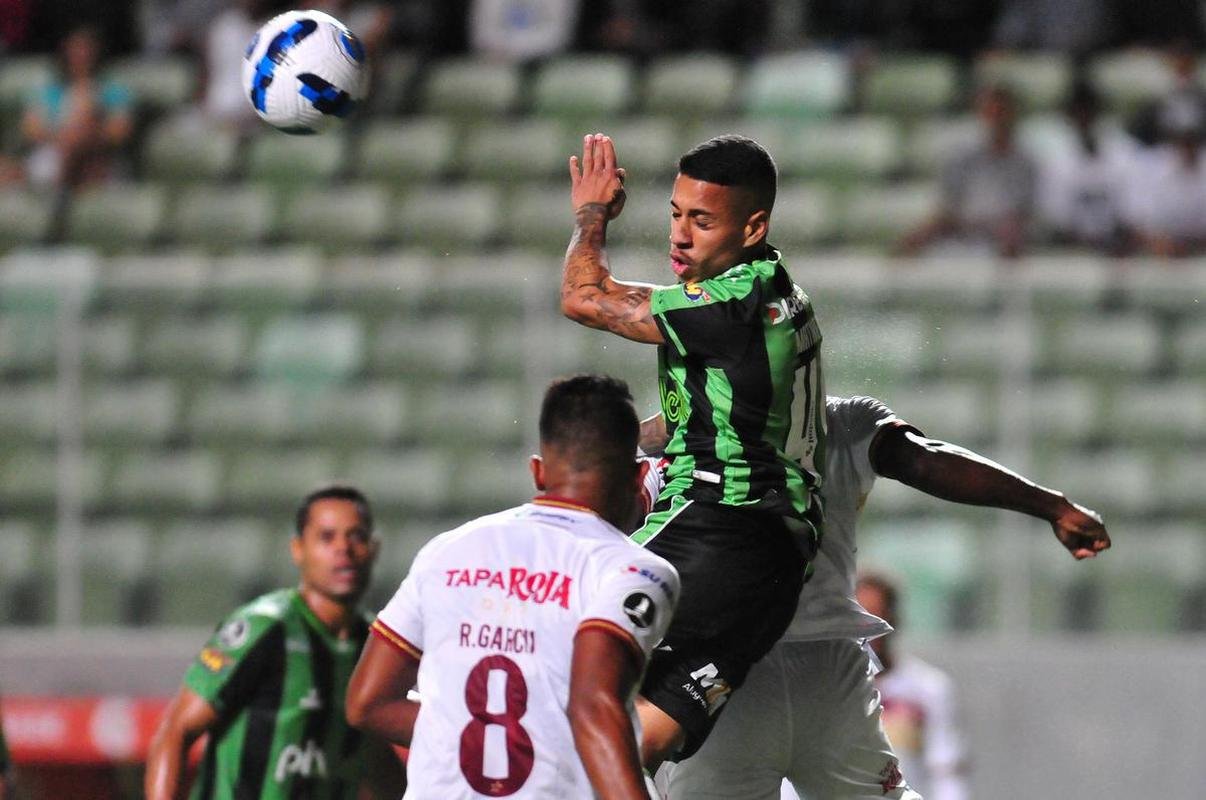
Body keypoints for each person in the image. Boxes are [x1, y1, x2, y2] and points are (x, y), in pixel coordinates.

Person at [661, 394, 1110, 800]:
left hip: (729, 665)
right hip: (811, 663)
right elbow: (925, 460)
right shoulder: (839, 419)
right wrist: (1052, 506)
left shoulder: (672, 434)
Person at [561, 133, 826, 767]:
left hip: (714, 530)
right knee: (630, 749)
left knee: (534, 639)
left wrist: (591, 216)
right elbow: (719, 418)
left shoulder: (733, 302)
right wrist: (618, 442)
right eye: (676, 214)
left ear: (753, 226)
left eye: (702, 221)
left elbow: (581, 297)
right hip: (770, 570)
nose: (679, 236)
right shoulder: (772, 289)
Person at [346, 374, 680, 799]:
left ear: (538, 471)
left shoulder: (448, 549)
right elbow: (595, 704)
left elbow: (367, 703)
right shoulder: (635, 572)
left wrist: (478, 734)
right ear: (638, 479)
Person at [145, 485, 404, 800]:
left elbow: (373, 757)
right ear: (298, 549)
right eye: (326, 537)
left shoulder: (375, 646)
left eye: (356, 537)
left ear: (373, 549)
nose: (343, 549)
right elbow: (176, 731)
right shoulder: (265, 629)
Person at [857, 572, 968, 800]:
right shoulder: (826, 694)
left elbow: (946, 773)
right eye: (862, 619)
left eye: (878, 617)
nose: (871, 630)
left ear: (894, 620)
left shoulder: (929, 688)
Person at [897, 85, 1037, 258]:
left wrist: (1006, 233)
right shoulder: (961, 158)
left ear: (1013, 116)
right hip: (958, 237)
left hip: (1003, 241)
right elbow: (947, 209)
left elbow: (1022, 214)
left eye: (1002, 112)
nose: (997, 119)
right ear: (981, 115)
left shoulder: (1026, 163)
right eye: (990, 113)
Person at [20, 26, 133, 189]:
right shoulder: (50, 91)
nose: (82, 55)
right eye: (76, 49)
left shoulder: (113, 90)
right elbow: (31, 129)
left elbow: (119, 131)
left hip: (98, 157)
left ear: (97, 53)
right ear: (65, 52)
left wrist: (86, 138)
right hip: (53, 153)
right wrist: (64, 139)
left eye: (87, 49)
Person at [1037, 80, 1133, 254]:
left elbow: (1131, 212)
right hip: (1072, 250)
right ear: (1069, 116)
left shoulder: (1123, 151)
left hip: (1117, 247)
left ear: (1098, 113)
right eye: (1077, 113)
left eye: (1088, 112)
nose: (1083, 118)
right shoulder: (1056, 159)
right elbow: (1056, 218)